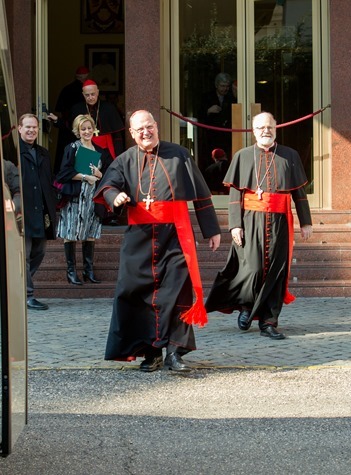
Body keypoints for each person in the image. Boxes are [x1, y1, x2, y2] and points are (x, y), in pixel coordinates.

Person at [94, 109, 221, 372]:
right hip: (138, 238)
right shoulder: (125, 159)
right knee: (136, 292)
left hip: (174, 235)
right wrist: (115, 197)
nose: (145, 132)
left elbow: (200, 193)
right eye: (139, 129)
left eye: (149, 126)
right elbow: (108, 186)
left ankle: (175, 352)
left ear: (156, 126)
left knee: (176, 291)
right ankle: (151, 352)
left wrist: (212, 230)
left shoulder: (178, 154)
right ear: (131, 133)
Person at [205, 112, 313, 340]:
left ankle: (269, 321)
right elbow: (235, 194)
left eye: (270, 127)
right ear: (254, 131)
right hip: (250, 220)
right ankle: (246, 307)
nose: (266, 131)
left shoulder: (289, 155)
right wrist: (235, 224)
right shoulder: (243, 156)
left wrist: (306, 221)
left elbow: (299, 194)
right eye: (261, 127)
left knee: (276, 271)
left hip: (280, 220)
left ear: (276, 129)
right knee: (251, 269)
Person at [55, 114, 113, 285]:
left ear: (93, 129)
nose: (87, 131)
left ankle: (88, 271)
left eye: (89, 128)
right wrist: (85, 177)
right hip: (75, 198)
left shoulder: (100, 151)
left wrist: (99, 174)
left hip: (93, 199)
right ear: (77, 131)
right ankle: (71, 271)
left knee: (90, 234)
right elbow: (63, 173)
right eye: (83, 129)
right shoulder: (72, 148)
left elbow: (110, 174)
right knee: (71, 233)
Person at [18, 113, 57, 310]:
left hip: (41, 211)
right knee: (23, 255)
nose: (32, 130)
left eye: (34, 127)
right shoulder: (13, 152)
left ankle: (17, 287)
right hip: (21, 211)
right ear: (19, 129)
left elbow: (47, 182)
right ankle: (27, 294)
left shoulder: (43, 152)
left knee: (39, 251)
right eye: (28, 127)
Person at [48, 79, 124, 161]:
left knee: (106, 172)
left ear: (98, 92)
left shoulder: (109, 108)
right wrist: (57, 120)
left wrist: (118, 157)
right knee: (87, 172)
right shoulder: (77, 108)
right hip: (85, 148)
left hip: (106, 150)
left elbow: (117, 137)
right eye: (87, 95)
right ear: (83, 95)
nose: (90, 97)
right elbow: (69, 126)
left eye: (93, 94)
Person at [49, 66, 90, 174]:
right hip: (72, 130)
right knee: (83, 169)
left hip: (67, 129)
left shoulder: (66, 89)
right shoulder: (77, 92)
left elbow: (60, 110)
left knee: (66, 161)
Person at [199, 72, 236, 169]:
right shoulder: (207, 97)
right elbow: (199, 115)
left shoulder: (231, 97)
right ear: (216, 85)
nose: (225, 89)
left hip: (227, 135)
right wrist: (208, 111)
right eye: (222, 86)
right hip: (211, 135)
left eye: (227, 86)